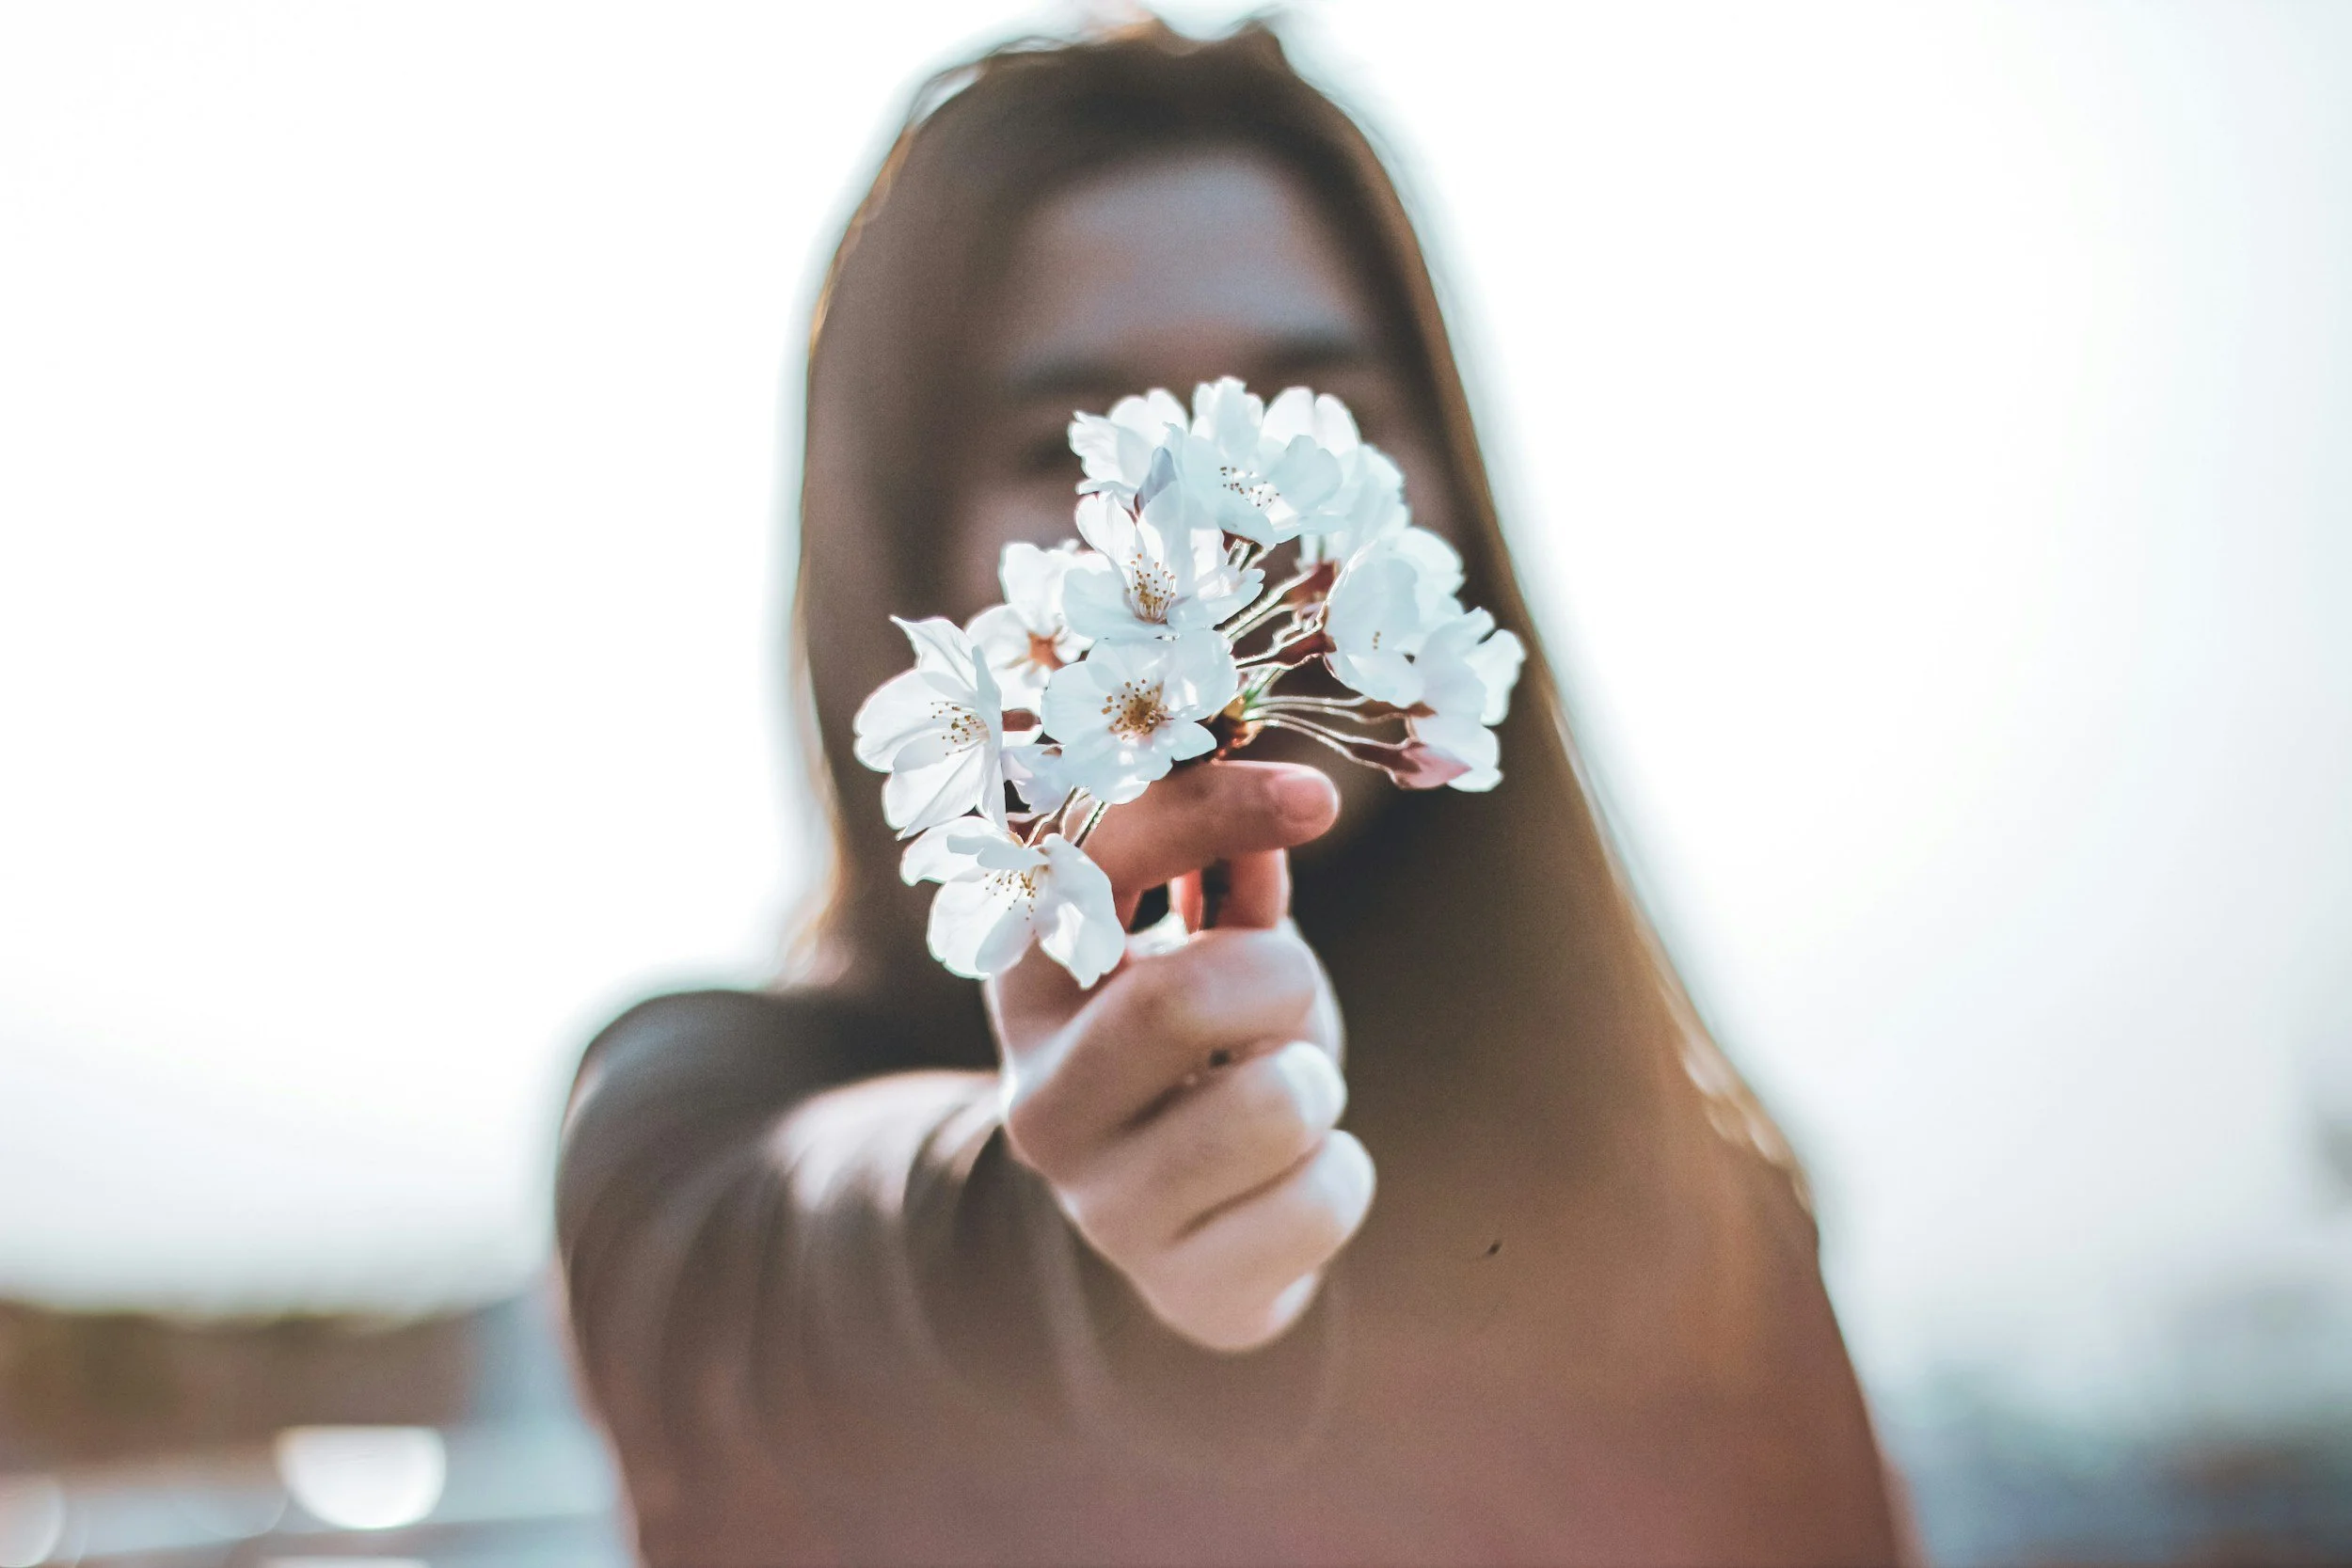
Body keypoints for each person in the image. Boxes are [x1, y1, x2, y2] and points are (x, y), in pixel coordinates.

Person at [557, 19, 1907, 1566]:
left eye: (1305, 405)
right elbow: (815, 1253)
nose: (1203, 512)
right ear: (903, 544)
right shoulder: (688, 1116)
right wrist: (1064, 1215)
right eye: (1072, 439)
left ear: (1448, 492)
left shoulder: (1703, 1199)